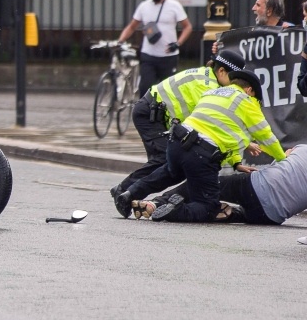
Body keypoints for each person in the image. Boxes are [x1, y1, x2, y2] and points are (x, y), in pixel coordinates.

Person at [126, 67, 287, 223]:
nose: (256, 102)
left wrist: (236, 163)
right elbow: (266, 137)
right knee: (208, 206)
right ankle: (173, 211)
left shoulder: (213, 92)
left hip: (177, 142)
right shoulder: (247, 101)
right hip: (201, 154)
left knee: (169, 172)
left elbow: (223, 131)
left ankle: (129, 193)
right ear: (249, 90)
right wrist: (282, 157)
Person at [109, 48, 246, 216]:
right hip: (150, 114)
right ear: (222, 71)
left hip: (157, 115)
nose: (235, 86)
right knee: (164, 161)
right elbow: (207, 121)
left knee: (168, 163)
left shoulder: (208, 78)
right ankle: (124, 191)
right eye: (234, 80)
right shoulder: (207, 86)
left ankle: (129, 194)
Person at [144, 146, 307, 225]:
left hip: (257, 187)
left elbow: (281, 157)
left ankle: (157, 203)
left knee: (201, 183)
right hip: (271, 216)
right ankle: (177, 212)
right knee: (230, 213)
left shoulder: (302, 148)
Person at [117, 0, 192, 96]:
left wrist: (178, 43)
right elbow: (132, 26)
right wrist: (120, 41)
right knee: (145, 88)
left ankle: (163, 115)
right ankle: (145, 114)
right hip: (149, 55)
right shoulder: (143, 6)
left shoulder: (174, 6)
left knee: (168, 92)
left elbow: (187, 27)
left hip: (169, 56)